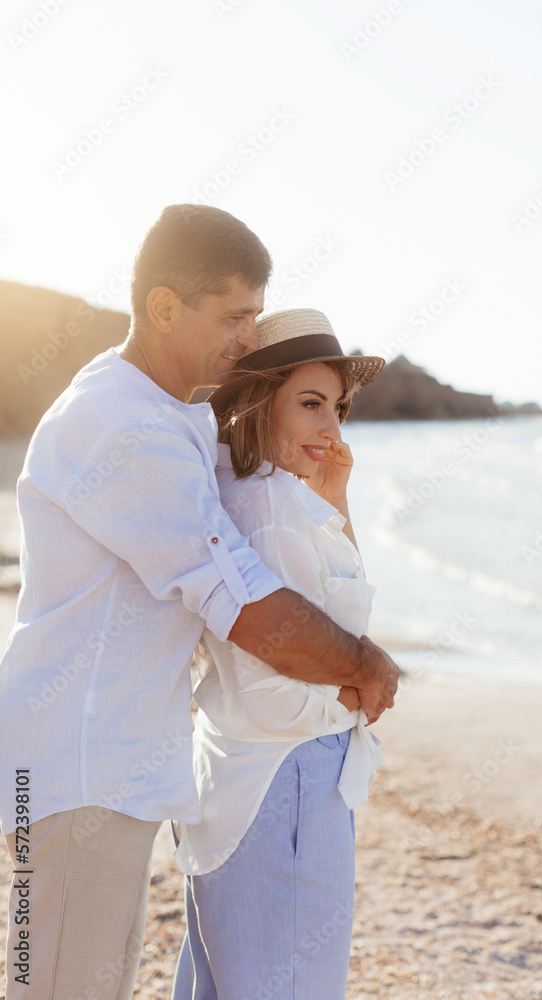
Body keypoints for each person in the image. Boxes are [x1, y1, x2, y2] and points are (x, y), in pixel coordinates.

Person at [0, 206, 399, 1000]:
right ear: (163, 309)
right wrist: (365, 666)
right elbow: (242, 604)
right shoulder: (123, 423)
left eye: (256, 314)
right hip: (79, 769)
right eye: (236, 316)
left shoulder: (166, 415)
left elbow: (257, 473)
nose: (250, 338)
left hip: (102, 767)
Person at [172, 308, 386, 1000]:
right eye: (310, 404)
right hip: (287, 779)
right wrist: (352, 696)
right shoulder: (269, 510)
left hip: (239, 778)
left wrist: (336, 498)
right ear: (261, 401)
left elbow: (340, 616)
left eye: (339, 408)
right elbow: (274, 687)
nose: (331, 427)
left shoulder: (250, 495)